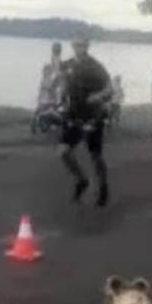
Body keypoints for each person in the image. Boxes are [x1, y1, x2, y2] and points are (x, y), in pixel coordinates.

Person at [59, 37, 114, 206]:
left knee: (95, 155)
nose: (79, 48)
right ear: (72, 46)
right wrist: (61, 100)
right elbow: (62, 83)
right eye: (76, 45)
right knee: (63, 151)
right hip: (73, 114)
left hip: (92, 114)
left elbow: (110, 89)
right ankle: (81, 180)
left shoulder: (96, 67)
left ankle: (103, 187)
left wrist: (97, 96)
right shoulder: (67, 65)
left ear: (87, 46)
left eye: (82, 45)